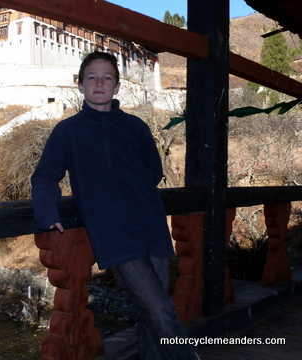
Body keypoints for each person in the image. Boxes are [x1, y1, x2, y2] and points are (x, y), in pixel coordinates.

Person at [31, 51, 198, 360]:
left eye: (107, 78)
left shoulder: (136, 128)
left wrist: (131, 193)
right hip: (114, 234)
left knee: (152, 315)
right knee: (161, 312)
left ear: (117, 87)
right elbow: (45, 177)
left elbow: (154, 171)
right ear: (80, 86)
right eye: (91, 78)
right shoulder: (67, 132)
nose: (99, 83)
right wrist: (46, 212)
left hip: (151, 225)